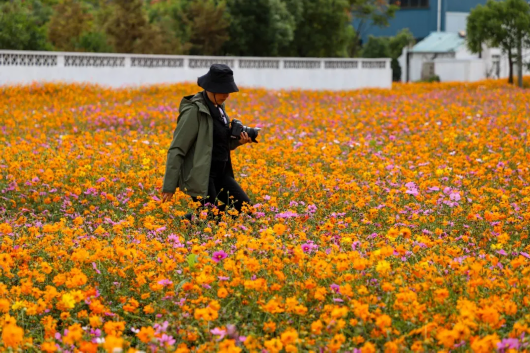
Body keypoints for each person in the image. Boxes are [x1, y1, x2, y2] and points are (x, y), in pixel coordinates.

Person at [161, 64, 253, 222]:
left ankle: (186, 222)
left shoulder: (219, 108)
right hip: (202, 175)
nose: (227, 95)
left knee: (245, 208)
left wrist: (238, 142)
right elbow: (177, 148)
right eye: (223, 91)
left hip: (221, 173)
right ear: (211, 88)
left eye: (228, 91)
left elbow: (218, 143)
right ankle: (182, 225)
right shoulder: (194, 111)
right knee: (212, 216)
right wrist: (169, 186)